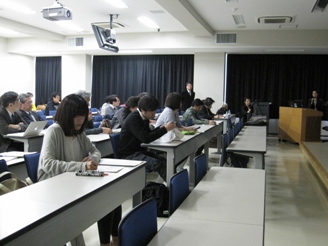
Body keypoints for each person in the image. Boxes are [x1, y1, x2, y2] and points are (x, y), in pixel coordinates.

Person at [38, 94, 118, 246]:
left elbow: (96, 152)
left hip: (76, 182)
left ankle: (110, 241)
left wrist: (92, 160)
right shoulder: (54, 131)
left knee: (110, 197)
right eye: (77, 117)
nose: (81, 121)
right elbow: (47, 164)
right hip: (55, 187)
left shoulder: (78, 132)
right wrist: (81, 166)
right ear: (67, 115)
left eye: (83, 116)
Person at [119, 94, 175, 181]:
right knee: (159, 164)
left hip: (139, 151)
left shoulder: (143, 117)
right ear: (142, 110)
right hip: (129, 155)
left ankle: (173, 187)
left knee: (166, 162)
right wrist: (164, 129)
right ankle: (173, 190)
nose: (154, 113)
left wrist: (159, 129)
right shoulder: (134, 118)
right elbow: (145, 138)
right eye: (152, 111)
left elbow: (147, 134)